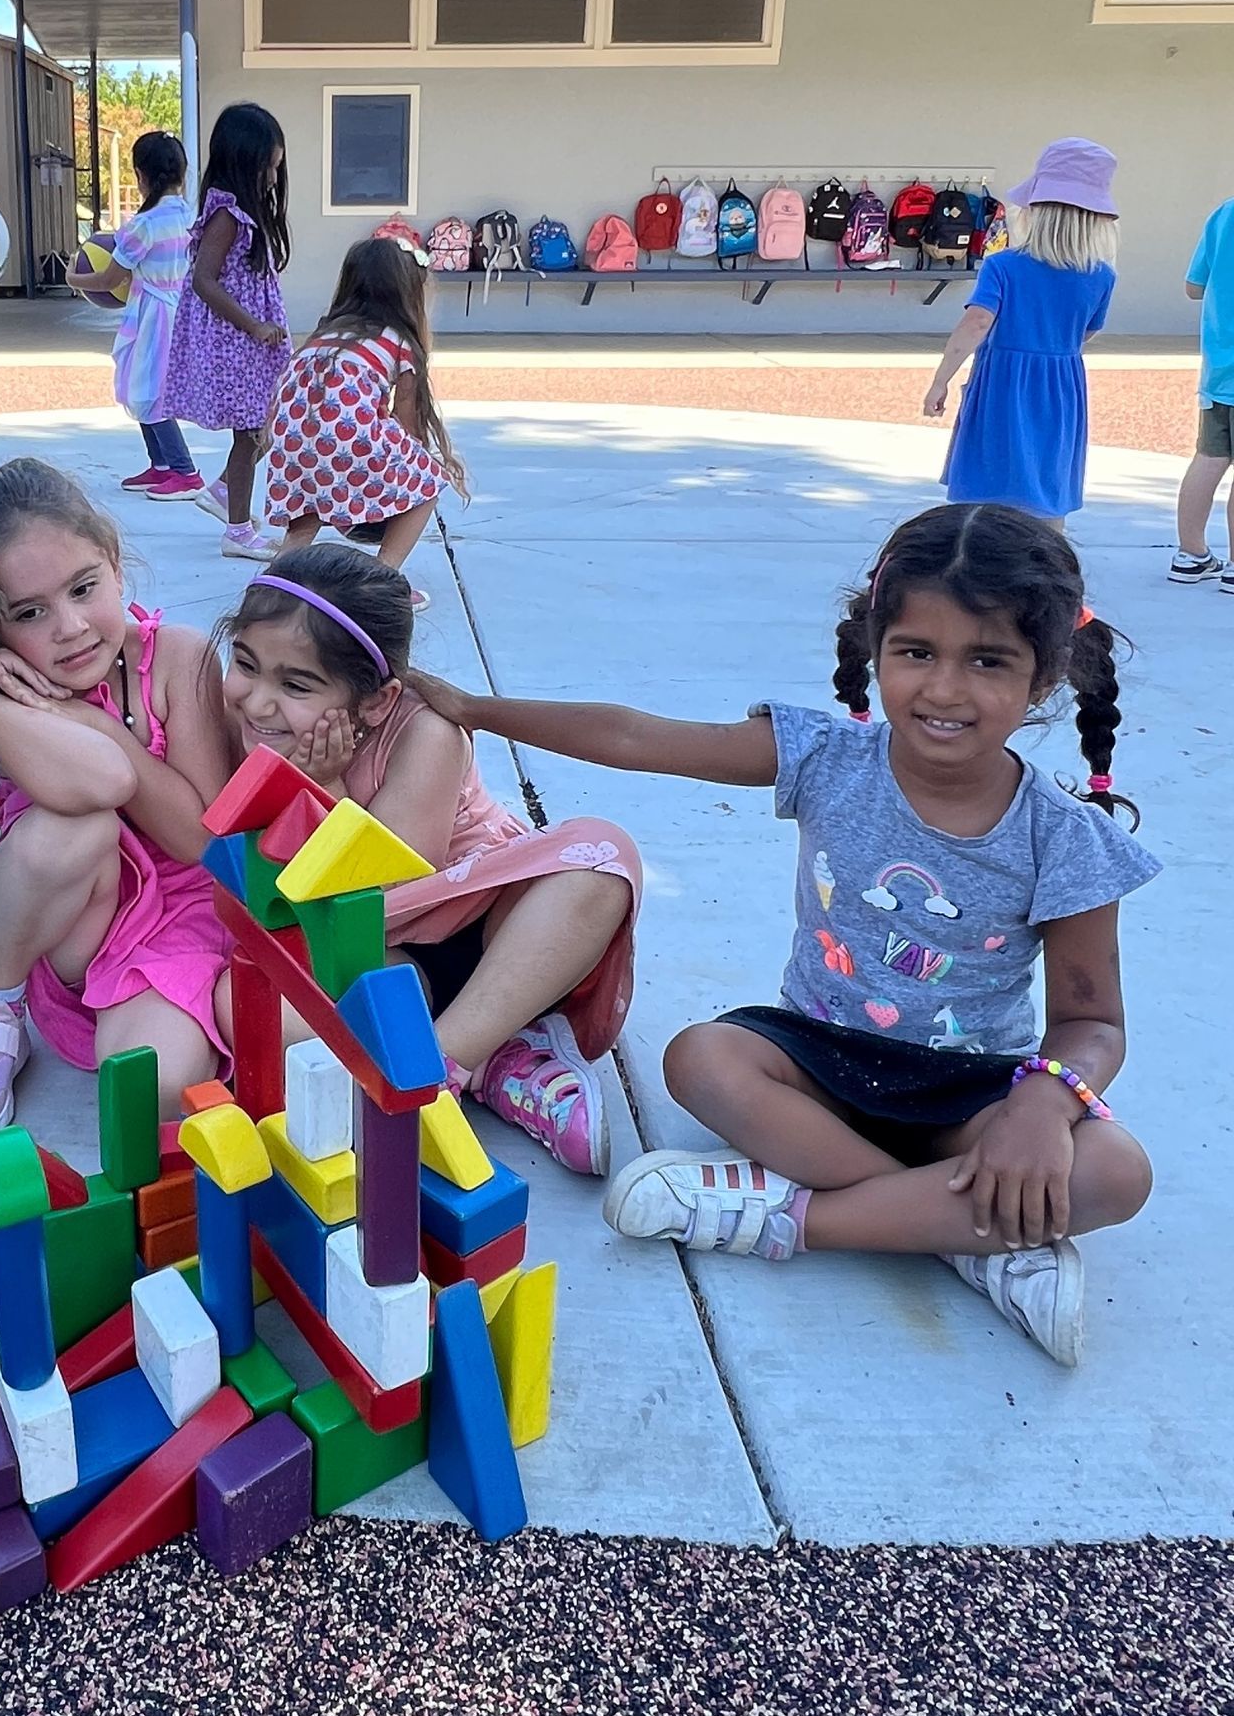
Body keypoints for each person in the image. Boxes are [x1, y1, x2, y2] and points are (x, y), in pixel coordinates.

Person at [414, 502, 1159, 1366]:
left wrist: (1041, 1102)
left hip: (972, 1092)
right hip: (816, 1066)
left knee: (1116, 1171)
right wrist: (476, 708)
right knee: (700, 1058)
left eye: (987, 661)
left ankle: (797, 1219)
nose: (946, 689)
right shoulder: (826, 758)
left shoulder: (1067, 838)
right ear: (877, 650)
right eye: (917, 652)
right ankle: (964, 1235)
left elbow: (1092, 1023)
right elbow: (636, 734)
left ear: (1042, 678)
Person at [216, 545, 640, 1174]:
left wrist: (324, 789)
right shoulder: (258, 728)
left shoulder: (424, 733)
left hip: (489, 929)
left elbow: (391, 874)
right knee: (242, 1004)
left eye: (296, 684)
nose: (256, 701)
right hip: (386, 958)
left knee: (602, 857)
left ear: (377, 701)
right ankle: (495, 1055)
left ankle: (433, 1074)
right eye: (245, 665)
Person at [0, 457, 234, 1140]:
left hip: (185, 915)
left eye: (83, 588)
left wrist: (91, 723)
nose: (69, 627)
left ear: (116, 565)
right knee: (77, 823)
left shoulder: (176, 659)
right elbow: (96, 789)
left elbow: (204, 843)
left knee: (152, 1081)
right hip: (81, 927)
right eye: (29, 613)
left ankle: (195, 1016)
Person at [922, 137, 1120, 524]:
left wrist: (940, 380)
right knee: (1048, 482)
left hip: (1002, 382)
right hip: (1061, 385)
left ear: (1036, 210)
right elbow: (1087, 332)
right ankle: (1047, 560)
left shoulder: (1004, 266)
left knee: (986, 480)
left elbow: (976, 322)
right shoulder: (1101, 275)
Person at [264, 236, 464, 584]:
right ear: (406, 290)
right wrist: (400, 485)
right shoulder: (398, 340)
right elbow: (408, 426)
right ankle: (380, 578)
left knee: (304, 522)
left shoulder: (324, 334)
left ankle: (276, 584)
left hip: (291, 446)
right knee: (428, 481)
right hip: (345, 443)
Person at [161, 100, 292, 559]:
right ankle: (237, 531)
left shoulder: (245, 215)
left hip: (253, 340)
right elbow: (203, 279)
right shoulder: (226, 215)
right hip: (238, 341)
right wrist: (253, 326)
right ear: (242, 162)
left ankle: (222, 492)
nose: (273, 180)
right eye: (267, 169)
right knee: (251, 430)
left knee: (265, 423)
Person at [110, 130, 203, 499]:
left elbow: (110, 275)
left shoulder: (143, 226)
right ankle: (161, 464)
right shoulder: (190, 217)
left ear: (141, 176)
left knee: (149, 389)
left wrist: (73, 276)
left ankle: (185, 471)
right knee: (145, 385)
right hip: (180, 310)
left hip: (154, 316)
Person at [1170, 187, 1234, 586]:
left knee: (1208, 459)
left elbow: (1194, 287)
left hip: (1219, 369)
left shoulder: (1224, 213)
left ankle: (1191, 554)